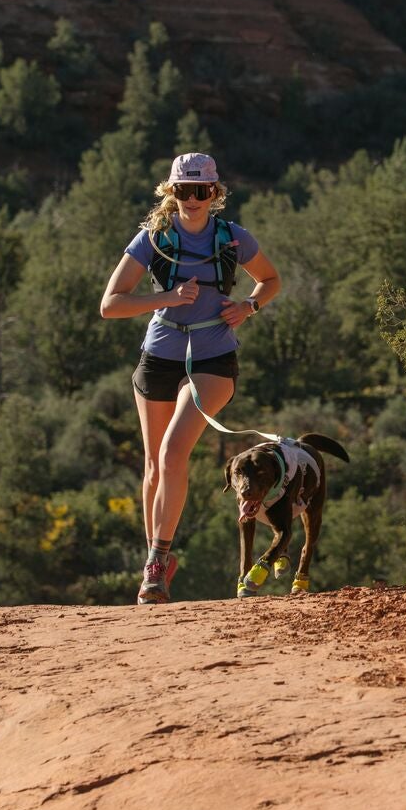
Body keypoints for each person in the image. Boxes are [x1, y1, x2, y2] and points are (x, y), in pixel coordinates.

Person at [99, 152, 280, 603]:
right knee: (154, 466)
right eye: (184, 190)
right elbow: (110, 304)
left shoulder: (232, 238)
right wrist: (168, 298)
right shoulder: (153, 238)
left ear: (214, 193)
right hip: (159, 356)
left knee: (173, 450)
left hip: (214, 358)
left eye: (201, 191)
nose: (193, 199)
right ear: (172, 191)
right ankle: (157, 560)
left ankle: (155, 565)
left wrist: (249, 307)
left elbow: (270, 280)